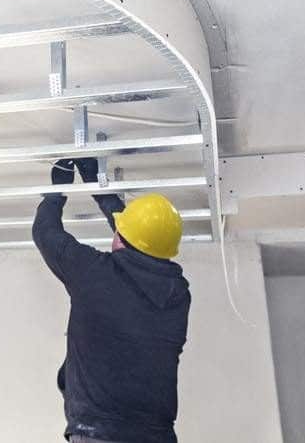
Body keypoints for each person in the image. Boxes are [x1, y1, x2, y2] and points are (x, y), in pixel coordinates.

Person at [32, 158, 190, 443]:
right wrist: (99, 188)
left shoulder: (94, 273)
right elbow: (138, 246)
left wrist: (56, 191)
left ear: (119, 238)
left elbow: (45, 233)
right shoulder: (177, 295)